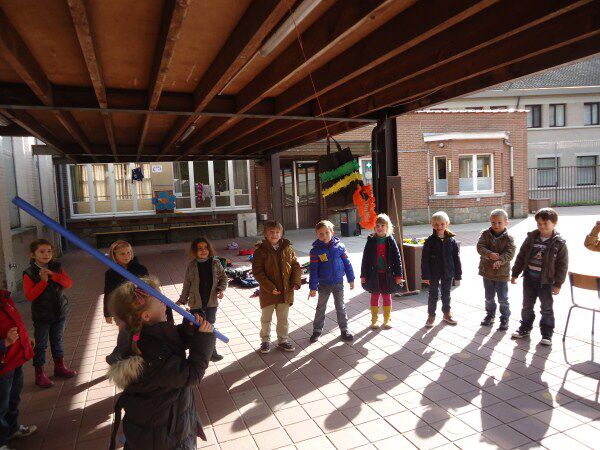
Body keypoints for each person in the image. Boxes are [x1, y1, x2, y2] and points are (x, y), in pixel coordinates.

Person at [108, 277, 214, 450]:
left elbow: (171, 344)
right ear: (146, 315)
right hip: (165, 438)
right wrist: (205, 339)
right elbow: (192, 374)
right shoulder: (151, 354)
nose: (166, 303)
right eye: (160, 301)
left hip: (164, 422)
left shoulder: (144, 334)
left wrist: (189, 329)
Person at [511, 208, 568, 346]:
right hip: (529, 279)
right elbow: (521, 256)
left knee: (546, 308)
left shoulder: (559, 243)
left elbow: (562, 265)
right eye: (539, 224)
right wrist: (515, 273)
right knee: (527, 306)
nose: (542, 226)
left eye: (545, 223)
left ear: (554, 223)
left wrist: (558, 284)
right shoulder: (531, 238)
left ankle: (547, 334)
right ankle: (525, 328)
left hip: (546, 282)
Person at [23, 239, 76, 388]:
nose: (46, 254)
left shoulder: (56, 267)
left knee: (57, 340)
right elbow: (30, 296)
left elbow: (68, 283)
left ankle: (59, 367)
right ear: (33, 254)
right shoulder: (29, 273)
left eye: (49, 251)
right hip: (42, 316)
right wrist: (42, 282)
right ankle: (39, 373)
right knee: (40, 344)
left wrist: (53, 275)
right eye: (41, 251)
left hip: (59, 312)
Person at [103, 240, 164, 365]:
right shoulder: (110, 273)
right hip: (122, 309)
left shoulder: (140, 269)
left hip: (138, 307)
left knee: (137, 330)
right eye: (122, 254)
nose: (126, 256)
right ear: (114, 255)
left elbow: (150, 285)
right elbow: (108, 292)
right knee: (124, 332)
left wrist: (156, 301)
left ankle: (134, 348)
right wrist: (107, 313)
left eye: (128, 252)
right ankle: (118, 354)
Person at [252, 221, 302, 353]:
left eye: (277, 232)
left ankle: (283, 340)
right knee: (266, 319)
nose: (274, 234)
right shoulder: (260, 251)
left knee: (283, 319)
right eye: (271, 232)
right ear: (265, 234)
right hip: (268, 293)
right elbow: (257, 272)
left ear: (281, 234)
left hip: (285, 291)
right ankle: (265, 340)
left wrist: (295, 282)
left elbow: (295, 266)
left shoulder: (288, 248)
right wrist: (270, 287)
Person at [177, 237, 228, 361]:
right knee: (196, 327)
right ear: (194, 251)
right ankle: (196, 352)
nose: (203, 250)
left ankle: (212, 351)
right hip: (196, 303)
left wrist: (221, 289)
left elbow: (223, 278)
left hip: (211, 303)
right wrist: (182, 300)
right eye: (199, 248)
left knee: (210, 326)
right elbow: (187, 285)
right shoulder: (192, 266)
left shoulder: (215, 263)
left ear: (209, 249)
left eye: (205, 248)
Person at [0, 290, 37, 450]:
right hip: (2, 366)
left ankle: (12, 429)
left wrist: (25, 338)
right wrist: (4, 343)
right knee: (1, 405)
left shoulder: (4, 297)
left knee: (13, 399)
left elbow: (16, 321)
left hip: (14, 360)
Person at [309, 220, 355, 343]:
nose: (324, 236)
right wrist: (313, 287)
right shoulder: (315, 251)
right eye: (321, 234)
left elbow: (347, 263)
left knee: (340, 307)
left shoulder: (340, 247)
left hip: (338, 283)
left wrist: (351, 279)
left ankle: (344, 329)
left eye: (327, 233)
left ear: (332, 233)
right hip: (323, 284)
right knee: (320, 308)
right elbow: (313, 270)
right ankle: (317, 330)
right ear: (317, 235)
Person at [360, 214, 403, 330]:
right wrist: (363, 275)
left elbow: (397, 259)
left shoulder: (390, 241)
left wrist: (399, 275)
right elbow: (365, 259)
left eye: (382, 225)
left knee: (386, 295)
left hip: (387, 274)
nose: (380, 228)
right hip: (374, 274)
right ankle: (374, 320)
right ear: (374, 227)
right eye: (377, 225)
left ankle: (387, 319)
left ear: (387, 227)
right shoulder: (371, 241)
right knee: (374, 295)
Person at [476, 209, 516, 331]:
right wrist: (489, 254)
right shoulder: (485, 234)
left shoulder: (509, 238)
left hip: (501, 274)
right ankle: (490, 315)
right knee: (489, 297)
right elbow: (480, 247)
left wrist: (500, 260)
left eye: (499, 222)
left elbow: (510, 253)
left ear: (506, 223)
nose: (496, 225)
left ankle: (504, 318)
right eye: (493, 222)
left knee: (503, 298)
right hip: (487, 272)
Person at [421, 211, 462, 328]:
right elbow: (424, 259)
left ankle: (446, 313)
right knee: (433, 294)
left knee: (446, 294)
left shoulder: (451, 240)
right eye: (436, 224)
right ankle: (431, 315)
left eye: (442, 224)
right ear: (432, 225)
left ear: (447, 224)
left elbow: (456, 258)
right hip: (433, 273)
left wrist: (458, 274)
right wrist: (425, 276)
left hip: (447, 271)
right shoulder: (429, 241)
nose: (439, 226)